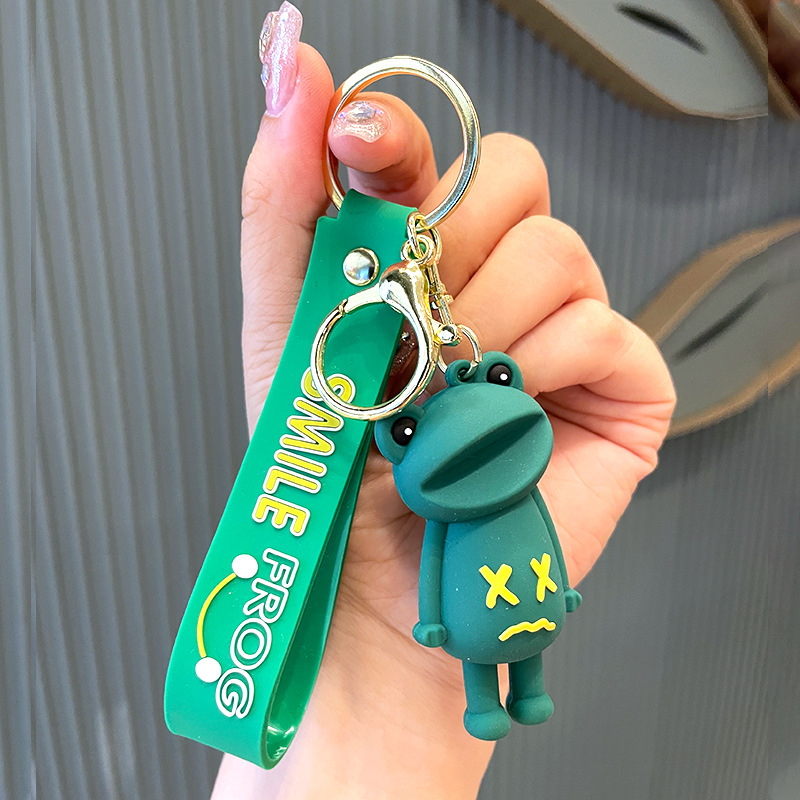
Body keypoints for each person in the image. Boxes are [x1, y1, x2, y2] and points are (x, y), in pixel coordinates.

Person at [212, 4, 675, 798]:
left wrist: (416, 651)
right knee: (487, 662)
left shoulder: (508, 489)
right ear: (396, 434)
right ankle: (490, 697)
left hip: (516, 605)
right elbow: (433, 563)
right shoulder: (440, 513)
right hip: (469, 619)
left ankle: (521, 691)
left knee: (518, 658)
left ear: (503, 377)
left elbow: (504, 542)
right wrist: (396, 639)